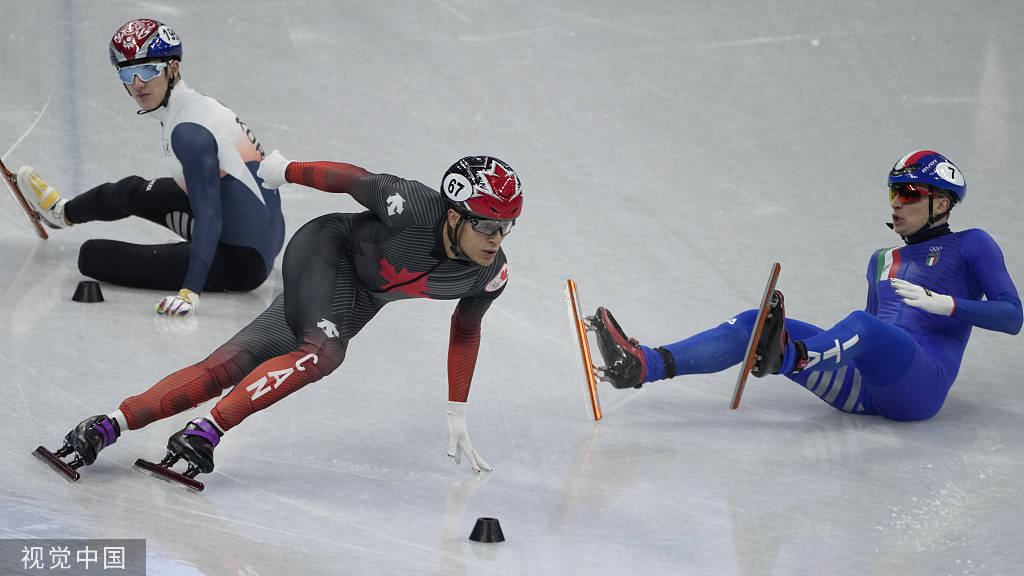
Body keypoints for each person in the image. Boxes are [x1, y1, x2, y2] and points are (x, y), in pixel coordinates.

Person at [42, 151, 522, 479]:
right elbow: (351, 179)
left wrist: (457, 407)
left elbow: (466, 331)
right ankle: (206, 432)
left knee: (231, 364)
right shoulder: (413, 204)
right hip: (325, 250)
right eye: (487, 225)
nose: (496, 239)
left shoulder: (488, 276)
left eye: (506, 227)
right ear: (455, 215)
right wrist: (286, 168)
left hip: (357, 300)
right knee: (323, 352)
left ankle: (106, 425)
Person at [591, 151, 1021, 421]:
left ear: (942, 203)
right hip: (865, 388)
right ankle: (642, 366)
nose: (896, 201)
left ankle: (787, 357)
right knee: (751, 323)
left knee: (862, 327)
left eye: (909, 192)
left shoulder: (972, 244)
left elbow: (1012, 316)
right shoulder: (881, 260)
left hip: (920, 389)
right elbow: (871, 335)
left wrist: (947, 305)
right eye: (893, 191)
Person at [18, 18, 285, 316]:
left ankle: (196, 262)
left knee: (92, 256)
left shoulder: (188, 132)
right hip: (263, 237)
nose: (137, 84)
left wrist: (189, 293)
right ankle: (61, 213)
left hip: (241, 262)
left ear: (173, 69)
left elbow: (209, 217)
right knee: (131, 191)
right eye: (128, 72)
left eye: (147, 70)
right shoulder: (201, 106)